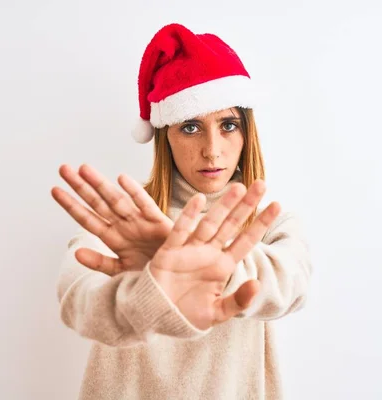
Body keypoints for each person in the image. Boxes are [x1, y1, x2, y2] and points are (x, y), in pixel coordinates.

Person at [51, 23, 312, 400]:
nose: (212, 149)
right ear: (165, 137)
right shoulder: (128, 220)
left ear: (246, 133)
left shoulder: (269, 224)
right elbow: (78, 299)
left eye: (228, 125)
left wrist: (212, 266)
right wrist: (149, 291)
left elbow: (289, 286)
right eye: (190, 127)